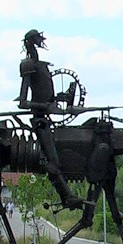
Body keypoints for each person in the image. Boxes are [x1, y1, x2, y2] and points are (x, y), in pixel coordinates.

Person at [16, 29, 82, 210]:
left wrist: (61, 98)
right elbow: (23, 103)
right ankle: (66, 196)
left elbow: (47, 96)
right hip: (40, 122)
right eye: (37, 40)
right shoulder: (28, 65)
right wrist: (46, 107)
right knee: (52, 161)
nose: (40, 42)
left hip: (46, 120)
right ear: (30, 42)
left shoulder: (42, 65)